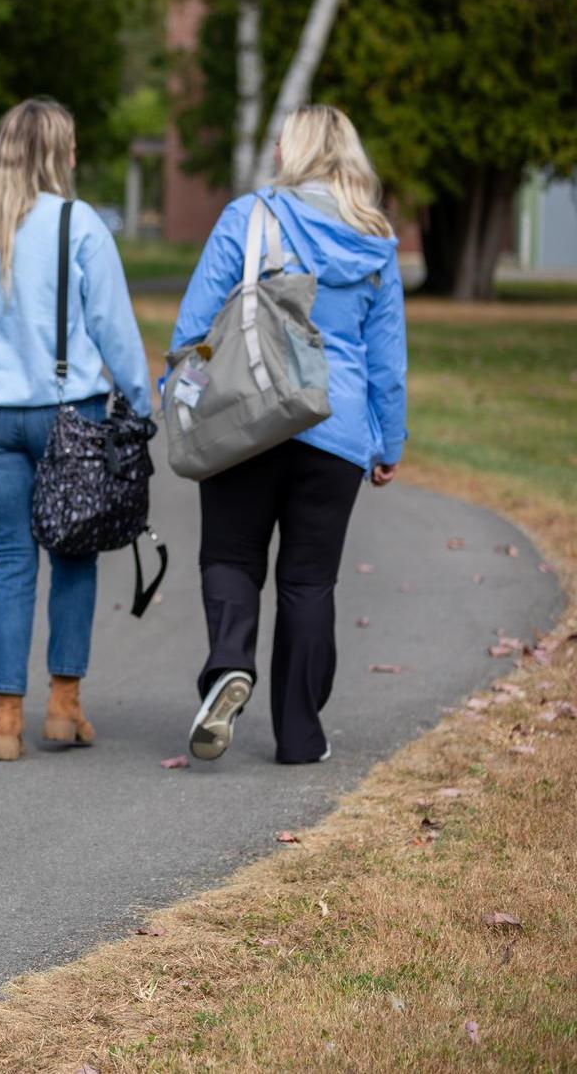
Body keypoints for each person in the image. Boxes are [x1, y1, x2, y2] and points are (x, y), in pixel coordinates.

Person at [175, 104, 406, 765]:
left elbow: (194, 328)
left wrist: (180, 398)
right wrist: (389, 440)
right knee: (309, 581)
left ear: (293, 151)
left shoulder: (248, 217)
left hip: (247, 417)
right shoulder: (376, 240)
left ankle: (227, 665)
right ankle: (301, 735)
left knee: (229, 555)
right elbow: (387, 356)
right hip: (335, 427)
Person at [0, 97, 153, 762]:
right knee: (73, 552)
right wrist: (143, 403)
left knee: (8, 557)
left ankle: (6, 719)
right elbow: (113, 326)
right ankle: (63, 706)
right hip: (72, 414)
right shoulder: (78, 224)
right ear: (61, 153)